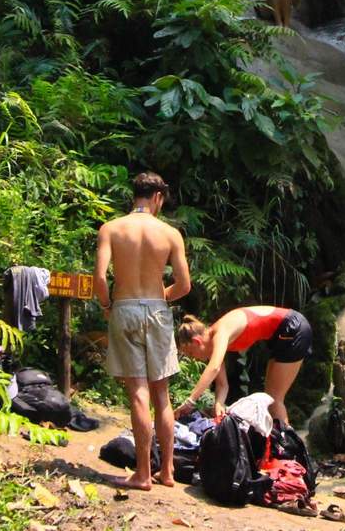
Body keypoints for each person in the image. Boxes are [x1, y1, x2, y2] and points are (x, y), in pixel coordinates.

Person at [94, 171, 191, 491]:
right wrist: (161, 296)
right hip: (157, 310)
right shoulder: (170, 234)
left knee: (138, 391)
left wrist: (108, 304)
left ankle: (142, 474)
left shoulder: (111, 229)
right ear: (158, 197)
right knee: (161, 393)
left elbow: (99, 277)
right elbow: (184, 285)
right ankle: (167, 472)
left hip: (124, 308)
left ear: (134, 195)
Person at [174, 306, 313, 426]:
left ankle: (287, 448)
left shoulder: (220, 332)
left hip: (293, 328)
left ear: (197, 341)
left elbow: (214, 368)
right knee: (269, 398)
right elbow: (222, 385)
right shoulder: (213, 347)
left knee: (275, 400)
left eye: (191, 353)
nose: (194, 359)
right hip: (279, 336)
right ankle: (277, 447)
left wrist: (190, 401)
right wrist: (219, 404)